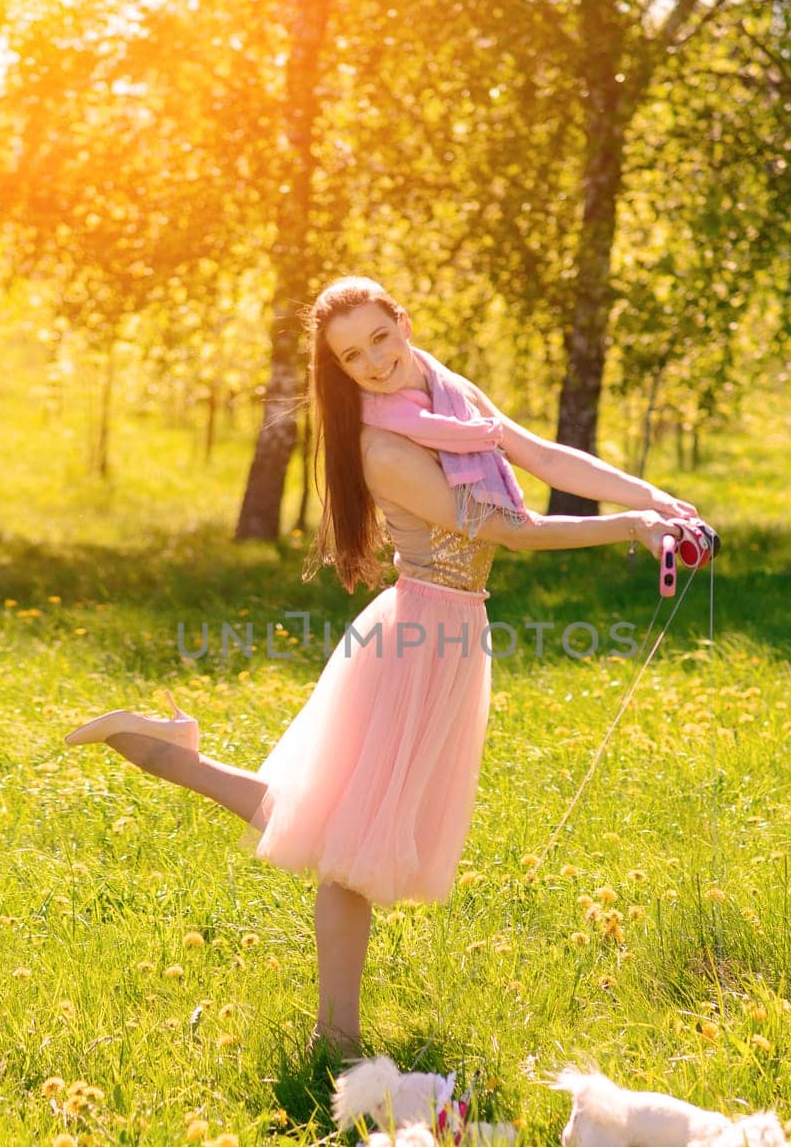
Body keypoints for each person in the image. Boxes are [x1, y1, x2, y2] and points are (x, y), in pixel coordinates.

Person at [65, 275, 700, 1054]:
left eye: (380, 338)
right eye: (351, 356)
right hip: (416, 636)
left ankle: (170, 753)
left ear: (403, 322)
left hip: (457, 631)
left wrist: (658, 500)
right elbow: (515, 529)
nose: (373, 362)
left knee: (348, 831)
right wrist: (630, 527)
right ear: (336, 367)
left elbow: (536, 453)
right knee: (351, 851)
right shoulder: (385, 445)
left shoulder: (441, 394)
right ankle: (336, 1045)